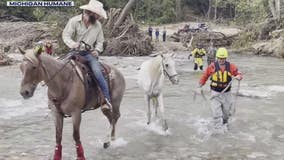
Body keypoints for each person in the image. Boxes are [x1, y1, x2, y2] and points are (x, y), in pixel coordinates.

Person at [62, 0, 112, 112]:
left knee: (98, 73)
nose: (99, 18)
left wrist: (97, 51)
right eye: (97, 15)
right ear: (90, 13)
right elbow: (66, 35)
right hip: (74, 52)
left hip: (88, 54)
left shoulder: (98, 25)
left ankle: (106, 101)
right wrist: (73, 44)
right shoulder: (74, 21)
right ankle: (55, 100)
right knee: (59, 69)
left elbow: (100, 41)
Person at [197, 47, 242, 131]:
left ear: (226, 58)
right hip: (215, 94)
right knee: (216, 114)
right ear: (217, 58)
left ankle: (225, 126)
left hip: (227, 94)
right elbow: (205, 76)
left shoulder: (231, 66)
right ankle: (217, 130)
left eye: (223, 58)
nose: (221, 60)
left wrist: (239, 76)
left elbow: (238, 73)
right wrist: (200, 85)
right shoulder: (212, 66)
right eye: (220, 58)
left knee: (226, 114)